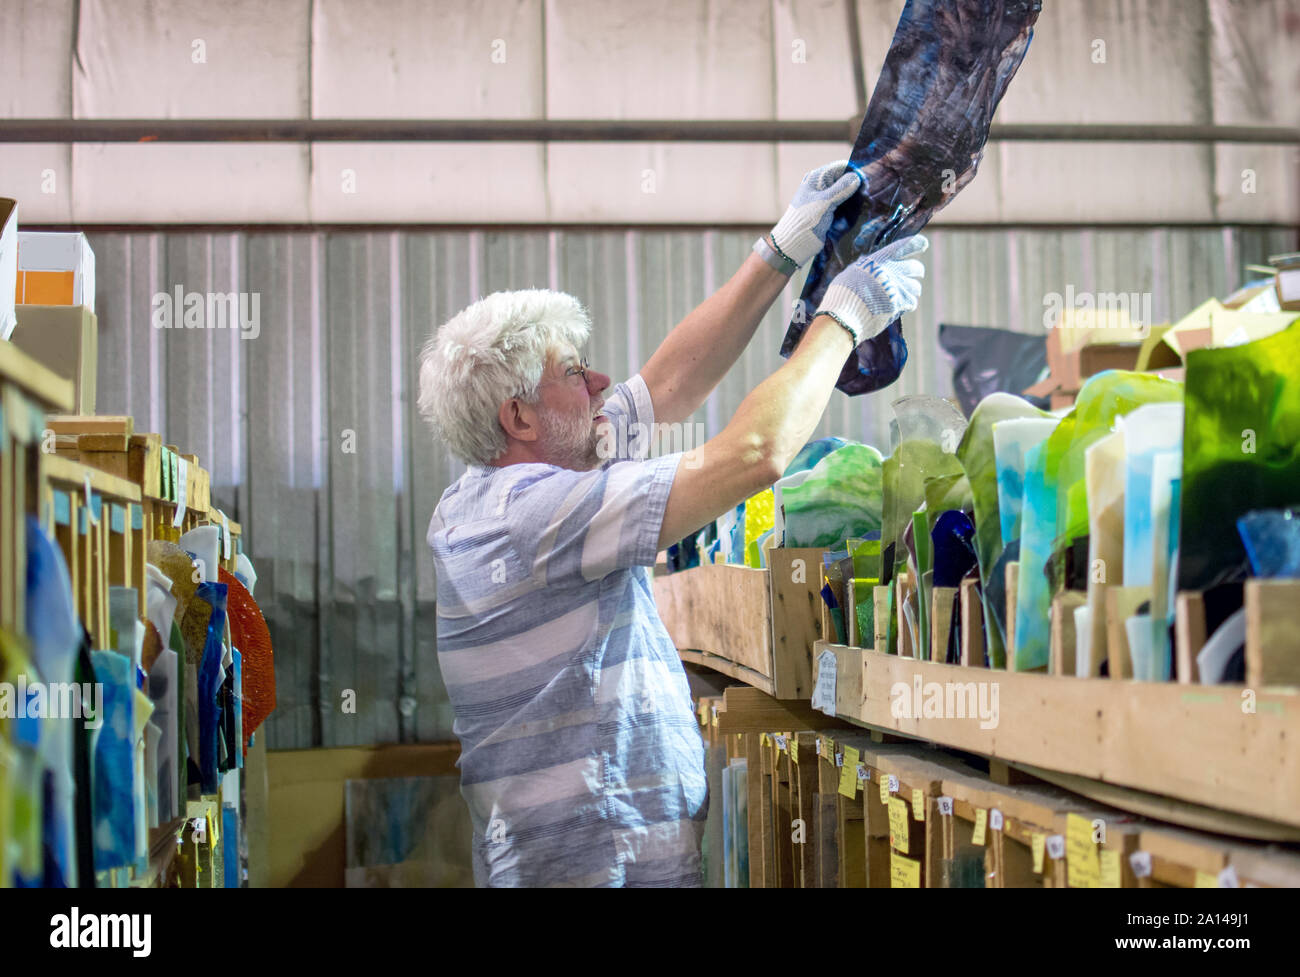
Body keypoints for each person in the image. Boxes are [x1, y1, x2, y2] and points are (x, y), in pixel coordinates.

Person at [418, 160, 927, 887]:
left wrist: (780, 250)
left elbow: (666, 386)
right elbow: (756, 453)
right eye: (575, 373)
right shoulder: (534, 515)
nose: (600, 384)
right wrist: (843, 317)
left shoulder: (502, 486)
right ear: (520, 417)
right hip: (593, 869)